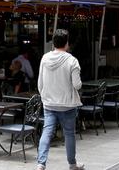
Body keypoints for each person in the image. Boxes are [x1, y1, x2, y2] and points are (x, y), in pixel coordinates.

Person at [36, 29, 83, 170]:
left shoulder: (45, 58)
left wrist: (45, 96)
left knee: (47, 132)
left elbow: (40, 83)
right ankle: (72, 164)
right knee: (69, 134)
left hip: (49, 104)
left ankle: (41, 164)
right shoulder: (72, 60)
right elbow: (77, 84)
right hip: (67, 105)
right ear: (67, 43)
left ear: (53, 43)